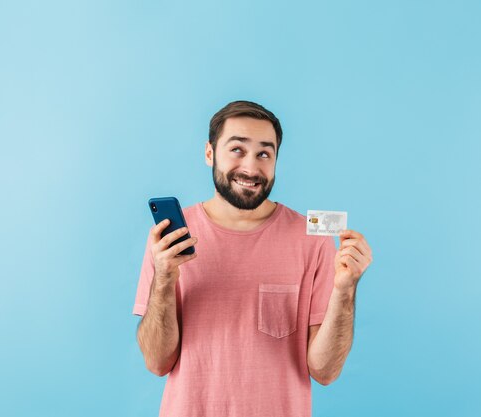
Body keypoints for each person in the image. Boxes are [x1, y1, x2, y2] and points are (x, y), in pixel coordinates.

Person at [132, 100, 373, 417]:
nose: (251, 166)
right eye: (237, 149)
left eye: (264, 153)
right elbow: (156, 361)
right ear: (209, 153)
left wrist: (345, 290)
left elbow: (325, 371)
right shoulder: (171, 241)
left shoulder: (311, 241)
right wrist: (164, 279)